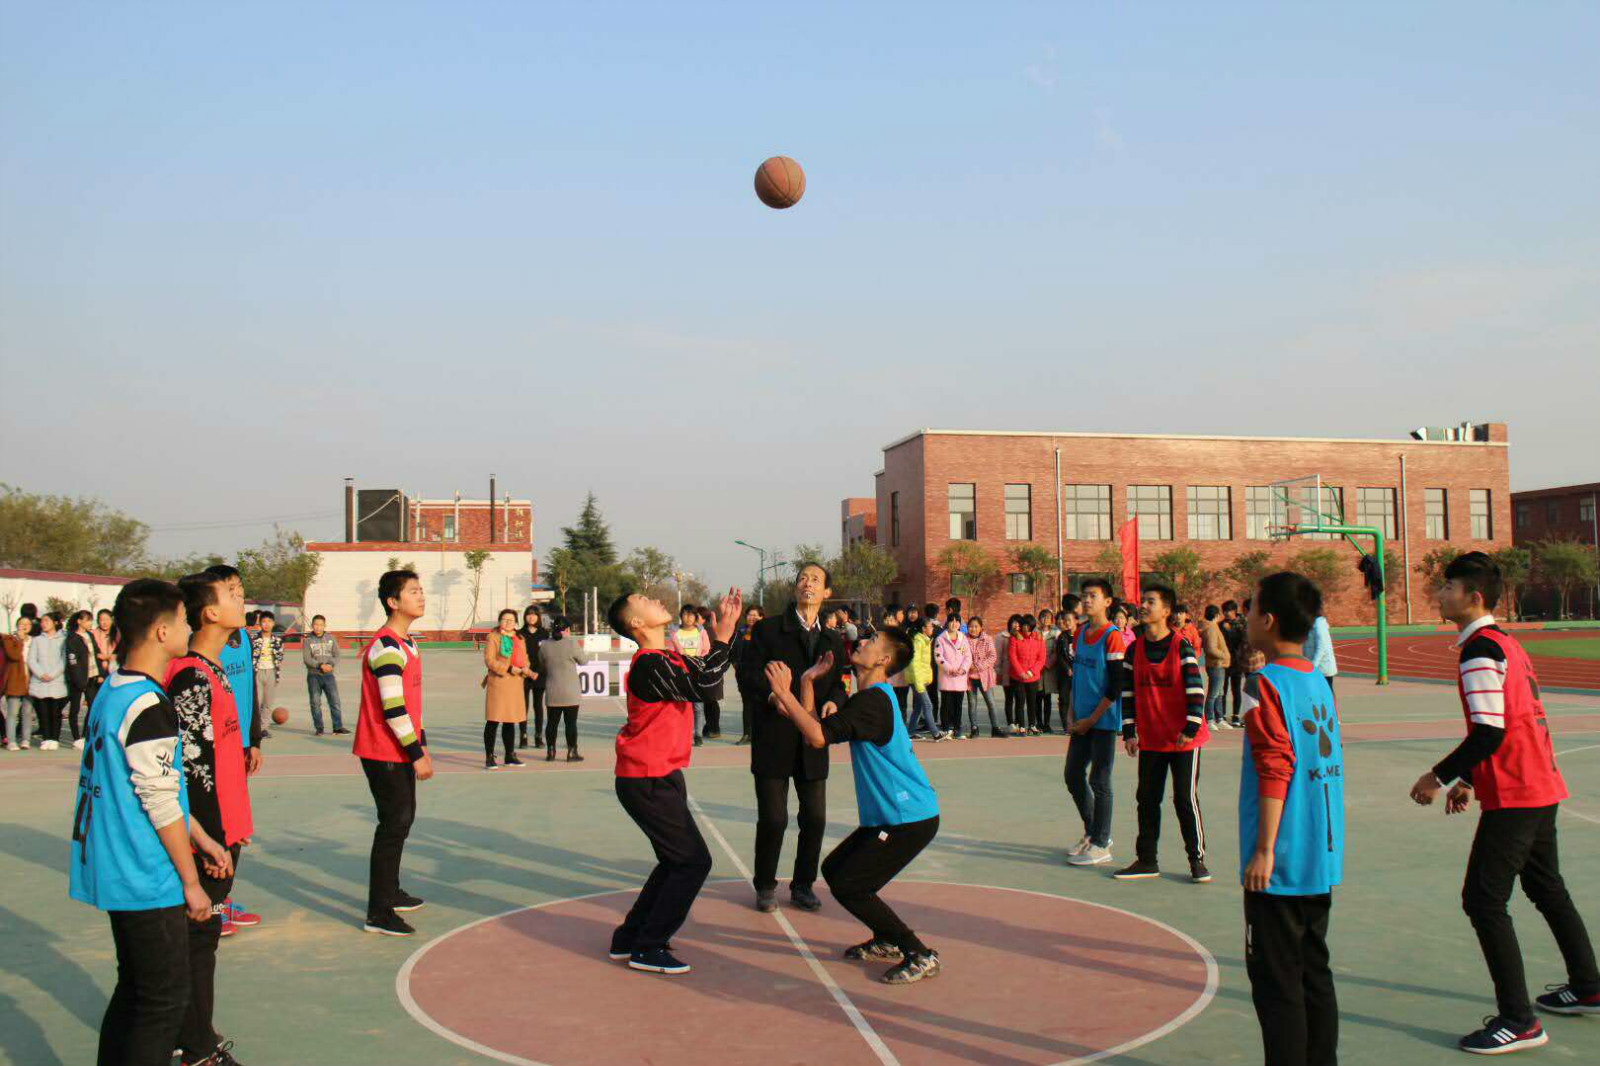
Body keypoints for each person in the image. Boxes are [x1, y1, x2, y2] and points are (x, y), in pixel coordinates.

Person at [1408, 551, 1599, 1053]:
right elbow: (1504, 723)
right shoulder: (1505, 643)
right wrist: (1470, 779)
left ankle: (1519, 1020)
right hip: (1538, 784)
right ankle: (1589, 985)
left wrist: (1440, 775)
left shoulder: (1478, 651)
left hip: (1518, 793)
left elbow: (1489, 730)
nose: (1440, 594)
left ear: (1473, 597)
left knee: (1484, 899)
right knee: (1547, 887)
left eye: (1448, 587)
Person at [68, 579, 231, 1066]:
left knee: (136, 990)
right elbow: (158, 802)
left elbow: (154, 785)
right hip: (144, 872)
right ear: (162, 632)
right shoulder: (147, 705)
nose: (188, 627)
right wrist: (190, 882)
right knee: (162, 1002)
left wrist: (200, 836)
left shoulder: (113, 691)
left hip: (117, 865)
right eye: (183, 620)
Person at [765, 628, 943, 985]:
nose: (861, 642)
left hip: (906, 818)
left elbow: (814, 738)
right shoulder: (869, 699)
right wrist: (807, 683)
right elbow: (816, 727)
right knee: (836, 869)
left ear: (883, 660)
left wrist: (784, 693)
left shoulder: (872, 702)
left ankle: (918, 952)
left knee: (850, 884)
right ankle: (886, 938)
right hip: (892, 816)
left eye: (870, 642)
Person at [605, 587, 739, 974]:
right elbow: (707, 684)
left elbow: (709, 678)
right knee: (693, 862)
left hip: (662, 774)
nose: (656, 600)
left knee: (674, 861)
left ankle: (629, 938)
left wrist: (723, 637)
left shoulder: (667, 657)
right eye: (645, 600)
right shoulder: (648, 664)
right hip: (645, 778)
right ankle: (648, 946)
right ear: (635, 622)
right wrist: (724, 638)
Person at [1240, 572, 1345, 1066]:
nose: (1245, 614)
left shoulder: (1263, 686)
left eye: (1251, 605)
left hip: (1281, 860)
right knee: (1313, 973)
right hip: (1321, 855)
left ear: (1268, 619)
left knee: (1277, 985)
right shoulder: (1319, 683)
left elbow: (1275, 766)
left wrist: (1263, 848)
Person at [167, 571, 257, 1064]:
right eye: (233, 594)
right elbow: (191, 773)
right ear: (209, 613)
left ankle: (193, 1030)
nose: (243, 599)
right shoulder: (190, 677)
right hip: (210, 835)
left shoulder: (214, 669)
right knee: (197, 942)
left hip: (226, 828)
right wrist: (210, 841)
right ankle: (197, 1048)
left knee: (202, 942)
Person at [745, 564, 850, 914]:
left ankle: (803, 884)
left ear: (826, 593)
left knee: (815, 819)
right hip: (773, 736)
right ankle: (764, 885)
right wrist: (773, 698)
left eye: (815, 580)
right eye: (803, 578)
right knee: (774, 818)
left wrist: (835, 700)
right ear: (795, 589)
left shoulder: (833, 639)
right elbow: (749, 675)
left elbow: (838, 682)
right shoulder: (768, 630)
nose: (807, 584)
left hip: (812, 739)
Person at [353, 569, 434, 937]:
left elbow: (412, 706)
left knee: (403, 820)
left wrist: (422, 740)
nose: (421, 596)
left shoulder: (408, 644)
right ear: (392, 602)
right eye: (413, 591)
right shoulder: (386, 647)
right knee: (393, 825)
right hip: (383, 750)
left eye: (421, 590)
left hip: (399, 748)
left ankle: (392, 891)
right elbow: (393, 708)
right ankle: (378, 912)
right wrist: (416, 752)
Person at [1115, 584, 1211, 884]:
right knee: (1146, 798)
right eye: (1142, 601)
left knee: (1184, 799)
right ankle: (1146, 859)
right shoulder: (1134, 649)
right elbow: (1128, 693)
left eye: (1151, 602)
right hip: (1152, 739)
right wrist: (1129, 730)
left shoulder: (1181, 646)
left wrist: (1190, 727)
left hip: (1184, 739)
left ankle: (1196, 860)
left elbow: (1196, 690)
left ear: (1166, 611)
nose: (1143, 606)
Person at [201, 565, 261, 931]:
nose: (240, 596)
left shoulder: (245, 637)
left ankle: (221, 899)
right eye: (231, 591)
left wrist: (253, 738)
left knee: (235, 829)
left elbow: (250, 689)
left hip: (237, 744)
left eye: (240, 589)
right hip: (213, 749)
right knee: (214, 827)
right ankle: (207, 903)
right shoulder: (204, 646)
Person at [1065, 579, 1127, 867]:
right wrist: (1072, 712)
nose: (1086, 600)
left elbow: (1115, 687)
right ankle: (1093, 831)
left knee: (1099, 781)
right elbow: (1077, 676)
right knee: (1072, 775)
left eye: (1093, 596)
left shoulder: (1112, 636)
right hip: (1081, 720)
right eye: (1084, 596)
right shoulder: (1080, 633)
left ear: (1107, 602)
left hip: (1101, 721)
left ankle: (1102, 842)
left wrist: (1091, 719)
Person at [482, 609, 531, 771]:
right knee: (494, 720)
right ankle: (489, 756)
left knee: (510, 720)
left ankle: (509, 755)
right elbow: (489, 660)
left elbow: (526, 658)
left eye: (511, 620)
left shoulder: (519, 638)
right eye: (505, 619)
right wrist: (508, 668)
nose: (508, 622)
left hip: (515, 684)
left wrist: (525, 668)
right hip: (498, 682)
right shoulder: (493, 637)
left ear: (516, 623)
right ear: (499, 621)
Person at [537, 615, 587, 762]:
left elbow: (541, 663)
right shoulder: (572, 643)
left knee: (552, 723)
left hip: (552, 690)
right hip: (570, 691)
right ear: (567, 629)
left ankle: (550, 751)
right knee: (570, 723)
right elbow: (584, 661)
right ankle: (572, 752)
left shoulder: (545, 645)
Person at [302, 615, 347, 736]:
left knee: (335, 701)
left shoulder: (331, 638)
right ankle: (319, 728)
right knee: (315, 702)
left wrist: (330, 665)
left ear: (324, 626)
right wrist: (320, 665)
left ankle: (338, 727)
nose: (318, 627)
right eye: (316, 624)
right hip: (314, 676)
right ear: (312, 625)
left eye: (321, 625)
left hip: (329, 675)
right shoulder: (307, 640)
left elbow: (337, 655)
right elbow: (307, 659)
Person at [28, 612, 68, 750]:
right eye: (42, 621)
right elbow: (31, 660)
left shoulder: (63, 639)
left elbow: (64, 659)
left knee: (55, 712)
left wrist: (52, 674)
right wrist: (41, 674)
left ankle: (55, 738)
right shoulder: (37, 640)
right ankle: (46, 738)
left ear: (55, 623)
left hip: (57, 681)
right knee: (42, 712)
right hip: (40, 681)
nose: (43, 623)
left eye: (46, 621)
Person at [65, 609, 103, 749]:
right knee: (75, 709)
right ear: (79, 621)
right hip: (78, 679)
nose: (89, 623)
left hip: (92, 676)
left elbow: (97, 654)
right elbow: (72, 660)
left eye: (90, 620)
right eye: (87, 620)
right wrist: (77, 679)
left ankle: (86, 735)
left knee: (93, 707)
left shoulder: (90, 635)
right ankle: (76, 738)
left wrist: (101, 673)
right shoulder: (72, 638)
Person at [671, 605, 708, 745]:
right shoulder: (675, 632)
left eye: (691, 615)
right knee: (681, 706)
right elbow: (674, 651)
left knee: (698, 706)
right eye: (685, 614)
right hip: (681, 672)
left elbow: (706, 649)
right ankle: (683, 734)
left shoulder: (701, 632)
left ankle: (698, 735)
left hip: (697, 673)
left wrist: (700, 663)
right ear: (681, 616)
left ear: (695, 617)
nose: (688, 618)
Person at [729, 605, 766, 744]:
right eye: (750, 615)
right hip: (744, 674)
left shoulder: (767, 633)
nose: (752, 617)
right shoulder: (740, 632)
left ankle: (762, 734)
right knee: (747, 704)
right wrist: (736, 665)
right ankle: (747, 734)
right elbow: (732, 652)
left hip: (761, 674)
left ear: (762, 617)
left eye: (756, 615)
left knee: (762, 704)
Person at [517, 606, 550, 749]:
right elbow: (517, 655)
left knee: (538, 707)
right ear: (524, 617)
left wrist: (537, 672)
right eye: (528, 615)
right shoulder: (520, 634)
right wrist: (526, 670)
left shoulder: (544, 634)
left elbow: (547, 656)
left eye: (534, 615)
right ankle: (523, 736)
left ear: (538, 617)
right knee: (522, 707)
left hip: (540, 676)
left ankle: (538, 736)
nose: (531, 617)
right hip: (523, 674)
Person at [933, 615, 970, 739]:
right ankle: (946, 728)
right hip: (947, 678)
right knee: (946, 705)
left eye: (957, 621)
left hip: (960, 678)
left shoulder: (964, 638)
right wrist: (950, 669)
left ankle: (957, 729)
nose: (954, 623)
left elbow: (968, 657)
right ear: (947, 623)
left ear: (960, 624)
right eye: (951, 621)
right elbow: (939, 657)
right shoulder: (940, 639)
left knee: (958, 705)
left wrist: (962, 669)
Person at [1008, 614, 1046, 736]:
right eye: (1023, 625)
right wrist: (1021, 672)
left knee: (1032, 702)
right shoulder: (1014, 638)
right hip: (1018, 677)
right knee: (1020, 702)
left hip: (1033, 677)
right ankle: (1021, 725)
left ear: (1032, 626)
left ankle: (1032, 725)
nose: (1025, 628)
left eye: (1028, 625)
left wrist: (1031, 672)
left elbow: (1041, 659)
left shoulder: (1038, 639)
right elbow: (1012, 657)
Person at [965, 616, 1002, 738]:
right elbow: (961, 655)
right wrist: (968, 666)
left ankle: (995, 728)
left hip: (984, 676)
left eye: (976, 626)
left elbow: (992, 657)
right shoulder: (964, 639)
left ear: (981, 627)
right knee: (972, 703)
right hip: (969, 678)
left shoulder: (987, 639)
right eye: (970, 626)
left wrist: (978, 666)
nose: (973, 629)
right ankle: (974, 728)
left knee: (991, 702)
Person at [906, 617, 941, 739]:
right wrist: (919, 684)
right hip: (916, 679)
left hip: (919, 679)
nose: (932, 628)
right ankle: (935, 733)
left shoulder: (925, 640)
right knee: (928, 705)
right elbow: (914, 664)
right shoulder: (918, 642)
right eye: (930, 626)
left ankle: (910, 731)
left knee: (919, 707)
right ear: (923, 629)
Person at [252, 610, 284, 735]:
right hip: (257, 671)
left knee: (268, 702)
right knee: (257, 701)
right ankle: (254, 728)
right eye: (264, 622)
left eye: (269, 622)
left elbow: (280, 656)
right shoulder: (254, 639)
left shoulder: (277, 640)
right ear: (260, 624)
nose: (266, 624)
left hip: (271, 671)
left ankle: (263, 728)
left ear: (273, 623)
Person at [1200, 605, 1232, 730]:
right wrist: (1224, 655)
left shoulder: (1212, 627)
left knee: (1219, 692)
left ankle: (1219, 718)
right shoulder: (1211, 628)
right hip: (1216, 664)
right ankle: (1209, 719)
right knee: (1214, 693)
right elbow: (1211, 648)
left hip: (1219, 664)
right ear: (1216, 615)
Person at [3, 617, 30, 750]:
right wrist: (20, 641)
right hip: (14, 679)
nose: (24, 626)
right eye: (21, 624)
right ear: (17, 625)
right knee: (12, 712)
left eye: (27, 624)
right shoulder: (10, 639)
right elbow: (13, 655)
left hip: (30, 679)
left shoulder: (32, 640)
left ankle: (26, 739)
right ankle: (11, 741)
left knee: (27, 711)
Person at [1221, 599, 1248, 728]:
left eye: (1228, 611)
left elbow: (1243, 639)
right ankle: (1221, 715)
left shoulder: (1242, 624)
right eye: (1224, 611)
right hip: (1224, 661)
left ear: (1234, 611)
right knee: (1223, 689)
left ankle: (1236, 716)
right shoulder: (1221, 625)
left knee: (1236, 689)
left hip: (1237, 661)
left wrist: (1230, 630)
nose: (1226, 614)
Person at [1302, 609, 1338, 697]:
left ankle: (1331, 710)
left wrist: (1312, 666)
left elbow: (1322, 647)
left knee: (1326, 696)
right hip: (1314, 668)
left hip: (1322, 668)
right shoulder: (1308, 624)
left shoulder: (1319, 624)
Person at [1038, 609, 1061, 732]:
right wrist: (1038, 663)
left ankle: (1046, 723)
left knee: (1047, 698)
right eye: (1042, 617)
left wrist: (1048, 663)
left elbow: (1057, 651)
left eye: (1047, 617)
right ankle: (1038, 723)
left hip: (1049, 670)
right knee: (1037, 697)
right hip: (1037, 669)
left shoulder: (1055, 633)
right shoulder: (1035, 632)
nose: (1045, 620)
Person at [993, 615, 1013, 734]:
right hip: (1006, 671)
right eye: (1013, 623)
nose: (1016, 625)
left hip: (1020, 673)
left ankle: (1019, 722)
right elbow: (998, 656)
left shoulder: (1022, 636)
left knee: (1020, 699)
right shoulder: (1001, 637)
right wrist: (998, 671)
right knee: (1009, 698)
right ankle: (1010, 722)